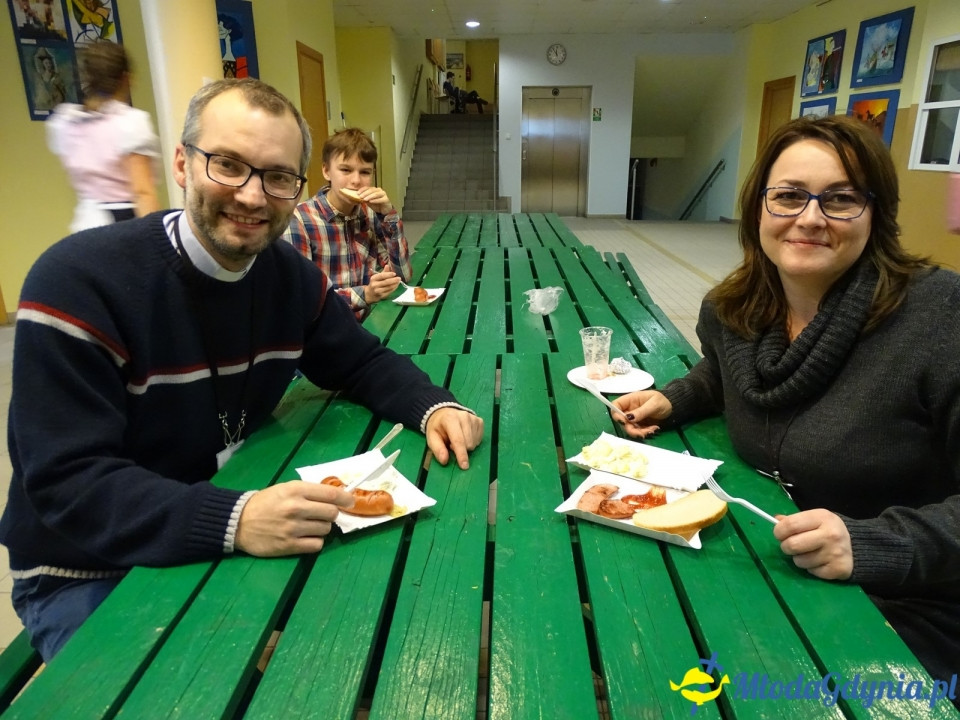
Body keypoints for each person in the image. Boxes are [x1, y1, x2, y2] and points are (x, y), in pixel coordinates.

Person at [0, 77, 484, 661]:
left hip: (214, 514)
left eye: (278, 176)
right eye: (228, 165)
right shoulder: (79, 282)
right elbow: (68, 482)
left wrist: (435, 405)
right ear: (181, 163)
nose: (253, 196)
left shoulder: (288, 278)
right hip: (86, 567)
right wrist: (238, 517)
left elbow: (360, 361)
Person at [613, 114, 960, 685]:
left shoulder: (939, 317)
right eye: (790, 196)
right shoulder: (734, 307)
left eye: (841, 199)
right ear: (758, 208)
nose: (810, 218)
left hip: (908, 598)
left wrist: (870, 544)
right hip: (771, 564)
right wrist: (675, 399)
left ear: (878, 213)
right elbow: (728, 377)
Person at [283, 128, 411, 321]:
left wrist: (388, 215)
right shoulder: (298, 220)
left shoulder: (370, 213)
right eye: (346, 170)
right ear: (326, 170)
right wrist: (365, 294)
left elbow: (402, 275)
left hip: (373, 322)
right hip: (325, 332)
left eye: (365, 172)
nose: (356, 181)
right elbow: (301, 301)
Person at [45, 40, 160, 233]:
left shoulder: (65, 124)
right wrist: (156, 240)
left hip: (85, 225)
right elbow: (143, 193)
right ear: (126, 78)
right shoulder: (130, 124)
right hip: (124, 225)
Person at [32, 46, 67, 110]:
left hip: (56, 104)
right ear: (43, 64)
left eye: (49, 63)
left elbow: (63, 91)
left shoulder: (56, 76)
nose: (48, 65)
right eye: (46, 63)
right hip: (44, 103)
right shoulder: (40, 77)